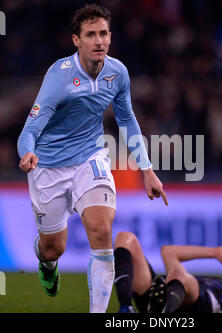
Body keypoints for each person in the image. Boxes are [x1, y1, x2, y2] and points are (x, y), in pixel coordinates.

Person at [17, 4, 168, 313]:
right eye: (90, 35)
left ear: (110, 37)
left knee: (101, 231)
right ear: (77, 40)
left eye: (103, 34)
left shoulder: (118, 72)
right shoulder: (59, 77)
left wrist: (148, 170)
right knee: (53, 248)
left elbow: (127, 121)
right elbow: (30, 128)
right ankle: (46, 262)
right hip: (48, 166)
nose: (98, 41)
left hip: (91, 157)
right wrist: (27, 153)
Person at [114, 232, 222, 313]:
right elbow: (168, 251)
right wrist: (215, 253)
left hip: (187, 305)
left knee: (180, 276)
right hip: (164, 296)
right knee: (125, 238)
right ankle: (125, 308)